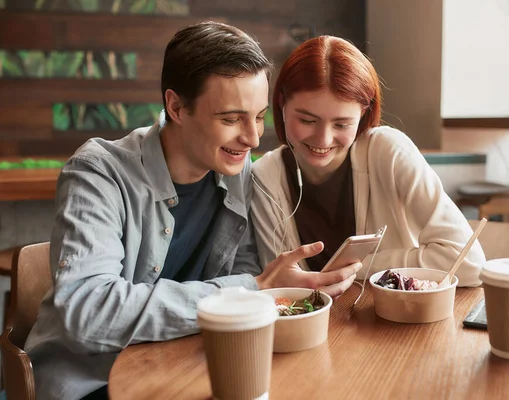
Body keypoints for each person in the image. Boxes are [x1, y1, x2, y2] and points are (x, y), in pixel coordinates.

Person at [25, 23, 360, 400]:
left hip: (185, 367)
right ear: (177, 107)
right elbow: (87, 313)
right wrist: (250, 290)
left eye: (259, 116)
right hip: (92, 380)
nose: (252, 138)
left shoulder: (238, 170)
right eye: (231, 119)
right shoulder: (98, 173)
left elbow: (246, 274)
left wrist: (275, 289)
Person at [251, 35, 485, 286]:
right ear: (282, 104)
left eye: (342, 124)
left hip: (396, 318)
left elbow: (469, 263)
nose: (323, 138)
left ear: (363, 114)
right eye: (307, 120)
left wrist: (359, 269)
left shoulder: (388, 153)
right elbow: (281, 286)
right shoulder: (265, 177)